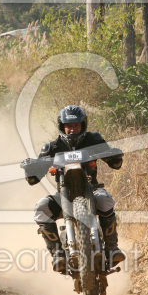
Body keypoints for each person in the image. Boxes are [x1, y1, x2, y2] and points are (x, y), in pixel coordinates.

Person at [24, 105, 125, 274]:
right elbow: (33, 179)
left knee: (105, 199)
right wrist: (30, 167)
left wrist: (113, 154)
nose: (72, 130)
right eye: (68, 126)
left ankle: (112, 248)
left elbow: (116, 164)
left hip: (92, 190)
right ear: (61, 126)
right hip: (63, 196)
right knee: (41, 208)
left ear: (83, 125)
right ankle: (58, 255)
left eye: (76, 125)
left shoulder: (94, 140)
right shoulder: (51, 148)